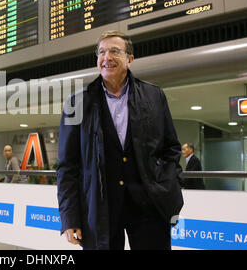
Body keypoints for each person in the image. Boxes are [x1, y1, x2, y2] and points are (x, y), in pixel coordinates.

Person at [57, 30, 184, 250]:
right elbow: (68, 166)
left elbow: (170, 149)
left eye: (114, 51)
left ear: (130, 59)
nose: (107, 57)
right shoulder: (77, 103)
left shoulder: (154, 96)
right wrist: (70, 217)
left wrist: (167, 188)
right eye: (102, 52)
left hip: (149, 207)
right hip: (99, 208)